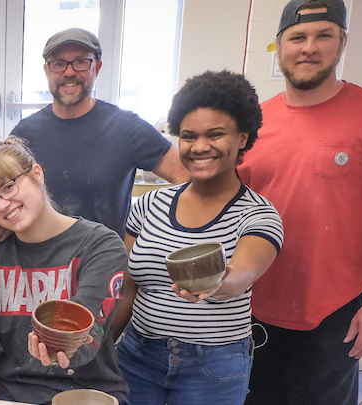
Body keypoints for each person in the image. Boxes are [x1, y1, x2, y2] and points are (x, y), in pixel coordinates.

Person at [237, 1, 362, 403]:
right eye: (297, 37)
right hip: (249, 305)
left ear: (341, 42)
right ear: (280, 46)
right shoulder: (254, 123)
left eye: (323, 35)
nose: (309, 47)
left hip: (333, 311)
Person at [107, 71, 283, 405]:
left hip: (213, 365)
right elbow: (128, 288)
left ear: (242, 138)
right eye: (188, 136)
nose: (199, 146)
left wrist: (219, 283)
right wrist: (101, 348)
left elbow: (243, 274)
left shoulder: (258, 214)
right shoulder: (149, 205)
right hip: (137, 355)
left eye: (215, 134)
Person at [0, 136, 128, 403]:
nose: (3, 205)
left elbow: (85, 344)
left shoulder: (100, 245)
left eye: (8, 187)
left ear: (37, 174)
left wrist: (57, 347)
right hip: (8, 395)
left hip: (86, 393)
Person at [10, 28, 189, 237]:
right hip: (42, 263)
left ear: (97, 67)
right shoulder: (24, 134)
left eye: (80, 62)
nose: (69, 72)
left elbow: (184, 175)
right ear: (47, 70)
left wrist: (153, 236)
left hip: (106, 263)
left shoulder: (126, 126)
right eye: (58, 63)